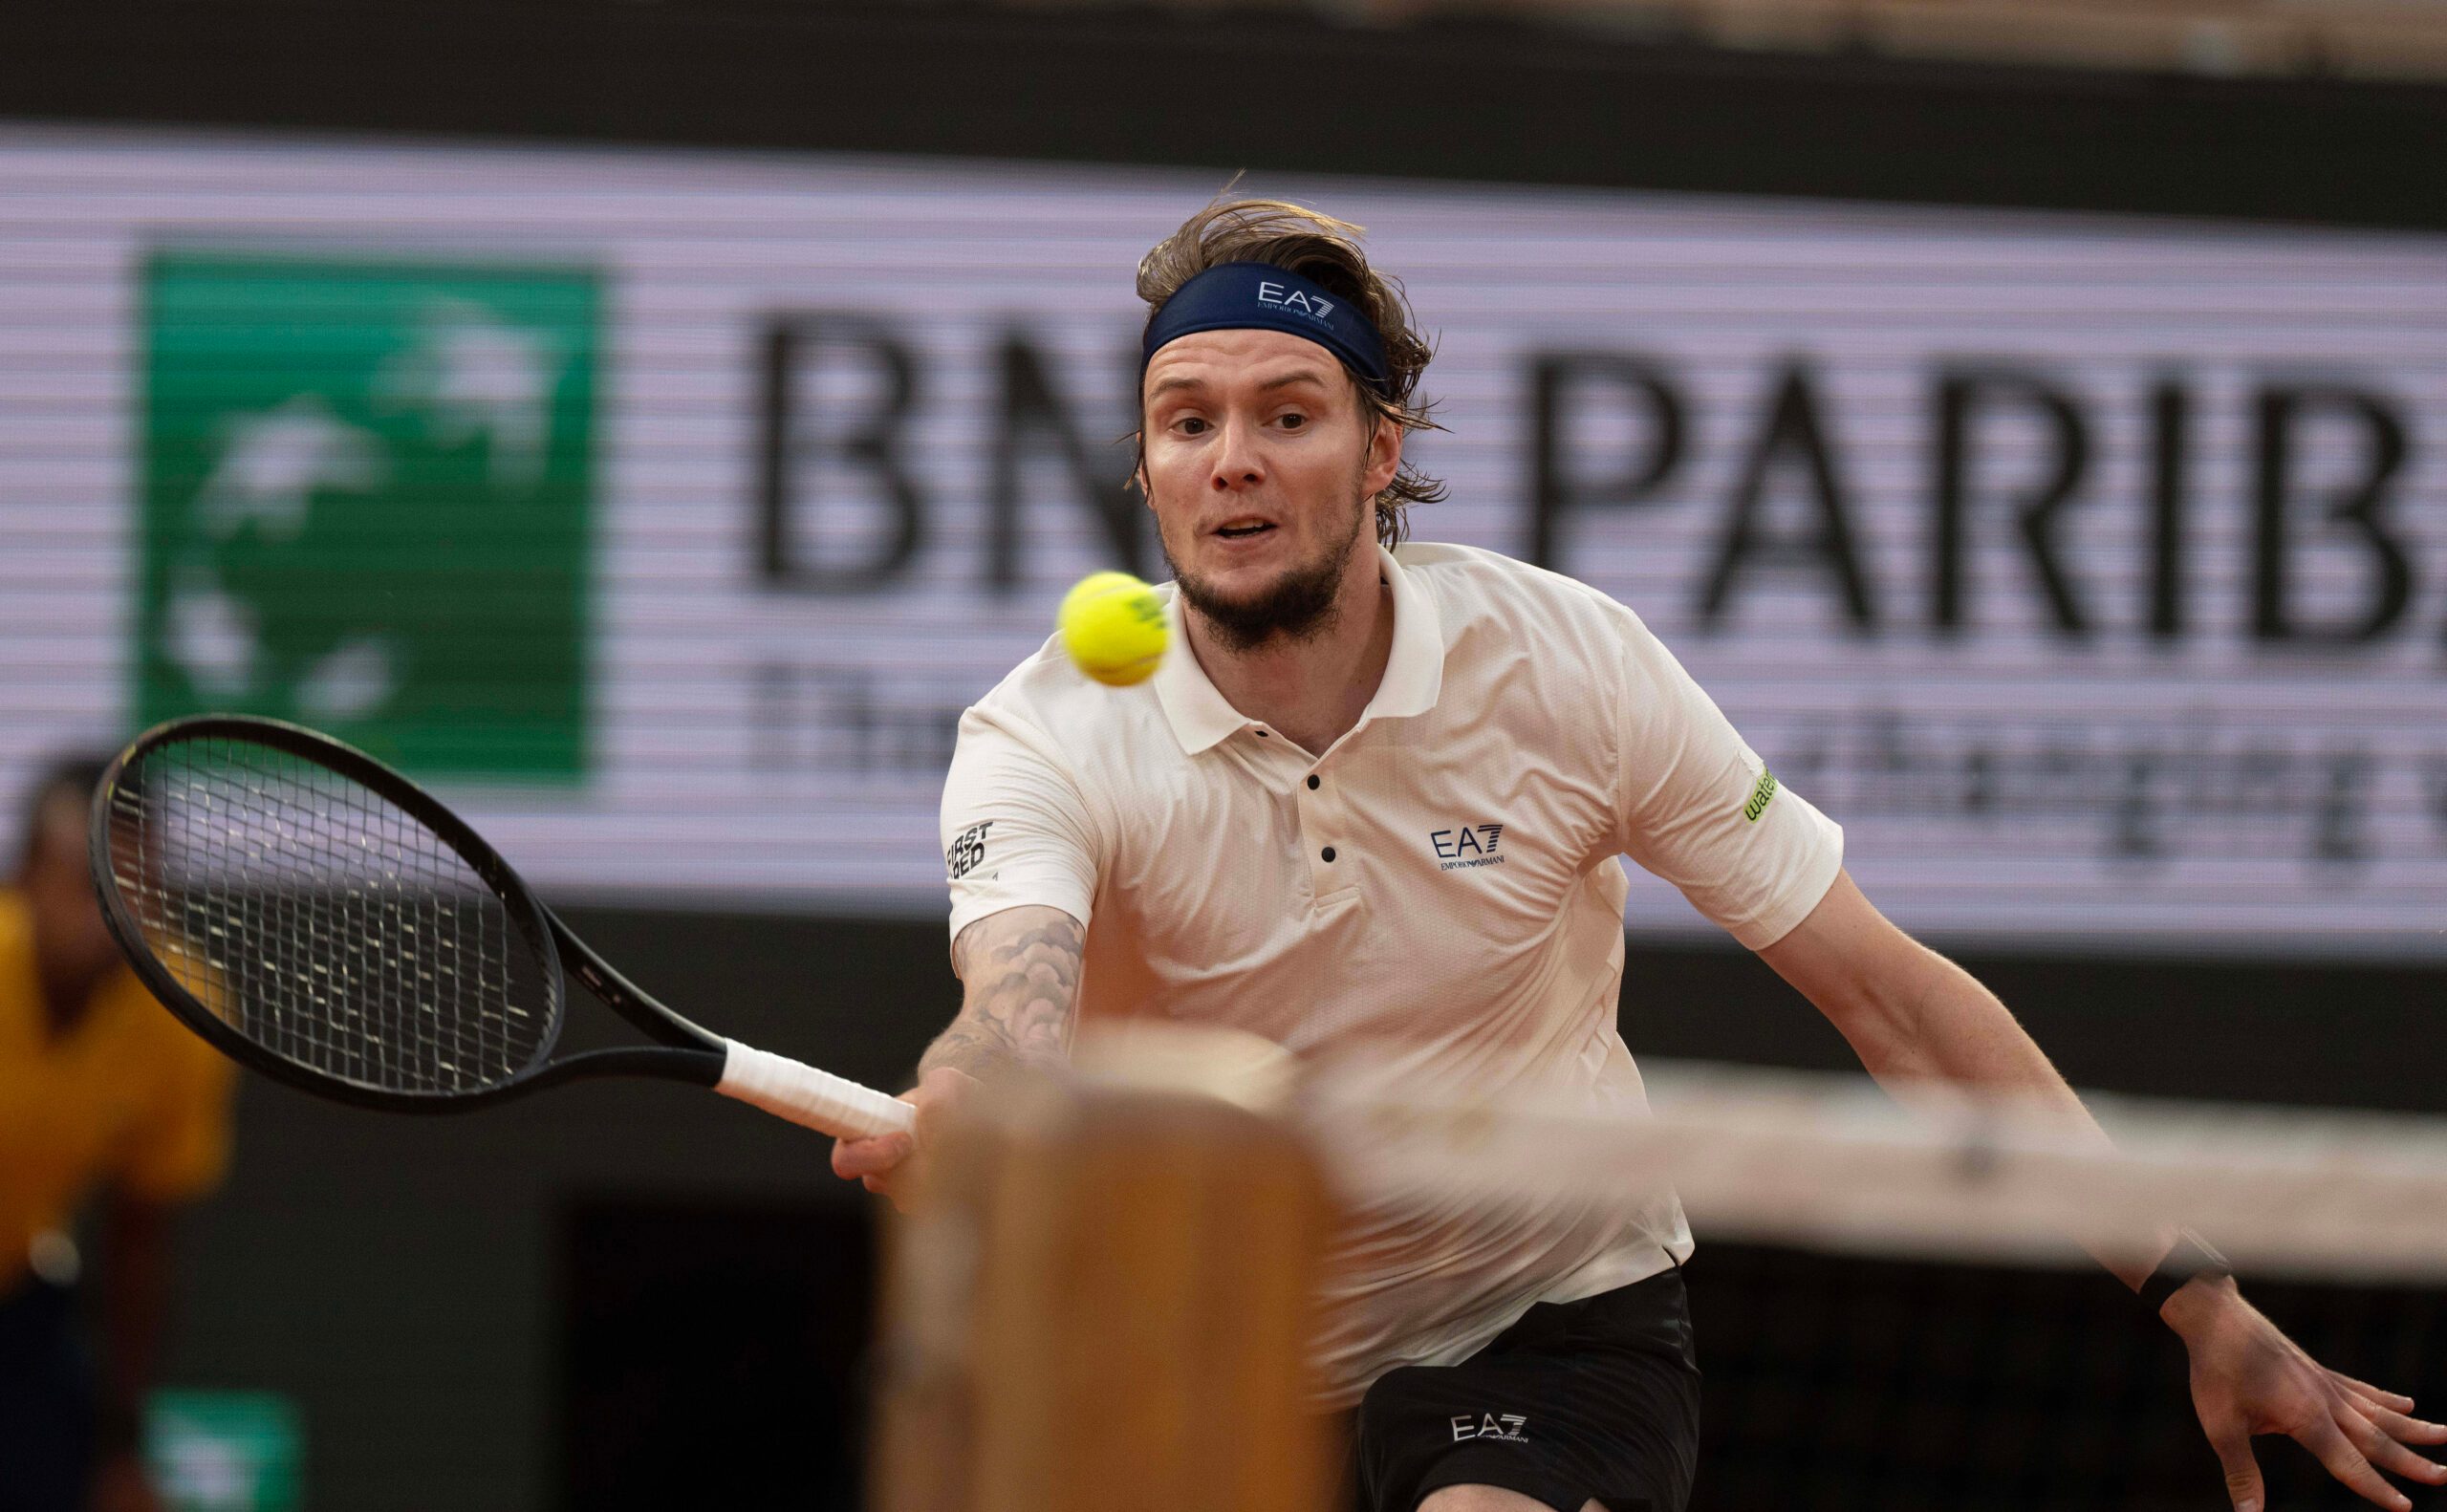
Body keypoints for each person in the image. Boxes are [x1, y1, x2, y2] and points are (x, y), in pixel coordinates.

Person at [833, 200, 2447, 1512]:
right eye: (1187, 422)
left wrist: (2195, 1286)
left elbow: (1883, 992)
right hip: (1207, 1347)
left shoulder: (1568, 669)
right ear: (1148, 467)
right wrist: (989, 1076)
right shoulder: (1043, 735)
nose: (1230, 459)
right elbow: (1012, 997)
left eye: (1287, 414)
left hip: (1543, 1316)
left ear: (1382, 455)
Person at [0, 755, 237, 1512]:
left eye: (132, 890)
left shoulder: (183, 1013)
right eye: (83, 884)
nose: (108, 917)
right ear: (26, 879)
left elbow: (141, 1232)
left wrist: (123, 1445)